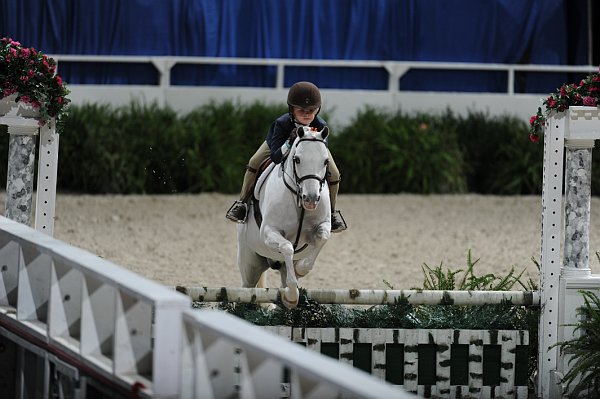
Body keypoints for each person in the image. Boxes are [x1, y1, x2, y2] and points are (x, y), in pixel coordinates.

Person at [226, 81, 347, 233]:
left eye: (311, 110)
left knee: (334, 173)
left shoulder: (321, 125)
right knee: (254, 162)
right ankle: (242, 203)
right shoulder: (281, 124)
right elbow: (276, 158)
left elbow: (319, 153)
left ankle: (332, 212)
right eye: (301, 110)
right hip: (278, 144)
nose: (307, 114)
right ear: (292, 109)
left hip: (311, 147)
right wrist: (289, 142)